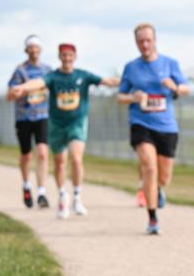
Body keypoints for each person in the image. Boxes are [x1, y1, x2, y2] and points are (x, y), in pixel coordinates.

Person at [8, 43, 119, 219]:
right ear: (60, 57)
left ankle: (77, 197)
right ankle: (62, 195)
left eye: (70, 55)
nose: (67, 58)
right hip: (57, 125)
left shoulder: (83, 75)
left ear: (74, 57)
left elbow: (108, 81)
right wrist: (22, 87)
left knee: (76, 158)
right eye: (64, 55)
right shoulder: (53, 77)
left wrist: (129, 81)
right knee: (60, 162)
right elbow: (38, 83)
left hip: (77, 122)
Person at [117, 23, 190, 235]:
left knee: (164, 176)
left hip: (166, 126)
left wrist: (174, 87)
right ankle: (152, 218)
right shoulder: (131, 68)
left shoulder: (170, 63)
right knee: (149, 166)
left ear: (155, 40)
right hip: (141, 123)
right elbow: (120, 96)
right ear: (136, 43)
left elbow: (185, 88)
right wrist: (133, 97)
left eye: (148, 40)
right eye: (141, 41)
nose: (145, 45)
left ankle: (157, 189)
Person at [7, 35, 53, 209]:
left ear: (40, 50)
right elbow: (9, 94)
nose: (34, 50)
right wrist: (20, 92)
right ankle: (26, 185)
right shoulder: (20, 71)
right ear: (26, 50)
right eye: (30, 47)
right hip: (24, 118)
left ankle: (42, 192)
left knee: (42, 152)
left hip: (42, 116)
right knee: (26, 155)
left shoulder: (48, 70)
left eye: (36, 47)